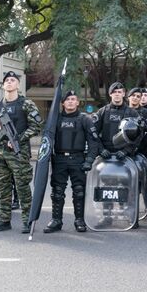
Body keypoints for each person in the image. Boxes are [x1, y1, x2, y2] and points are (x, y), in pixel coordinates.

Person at [0, 71, 42, 233]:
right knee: (2, 187)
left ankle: (27, 221)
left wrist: (19, 139)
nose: (9, 82)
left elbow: (36, 126)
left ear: (17, 84)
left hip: (18, 152)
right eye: (7, 80)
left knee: (22, 187)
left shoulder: (26, 104)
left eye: (13, 80)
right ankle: (4, 220)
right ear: (3, 85)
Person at [44, 91, 99, 233]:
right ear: (62, 103)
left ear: (77, 102)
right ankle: (56, 220)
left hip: (78, 159)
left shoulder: (85, 119)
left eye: (73, 99)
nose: (70, 101)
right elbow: (47, 139)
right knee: (57, 192)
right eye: (67, 99)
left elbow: (93, 142)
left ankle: (79, 220)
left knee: (79, 192)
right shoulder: (55, 119)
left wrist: (89, 160)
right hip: (60, 160)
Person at [91, 82, 141, 227]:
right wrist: (101, 150)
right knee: (107, 189)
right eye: (115, 92)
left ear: (124, 94)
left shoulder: (132, 113)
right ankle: (107, 217)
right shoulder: (102, 112)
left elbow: (138, 135)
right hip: (107, 157)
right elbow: (93, 133)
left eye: (120, 91)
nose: (117, 94)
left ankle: (131, 216)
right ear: (110, 94)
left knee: (128, 188)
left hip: (125, 158)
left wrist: (126, 151)